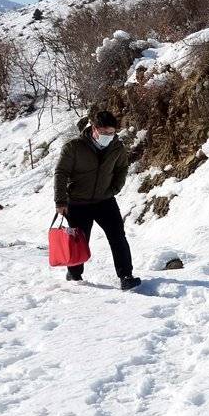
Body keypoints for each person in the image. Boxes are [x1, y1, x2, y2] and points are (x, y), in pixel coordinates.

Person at [53, 110, 140, 290]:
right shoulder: (73, 147)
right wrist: (60, 201)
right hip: (78, 203)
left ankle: (126, 276)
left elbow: (122, 168)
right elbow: (61, 173)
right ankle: (75, 273)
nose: (109, 136)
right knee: (79, 240)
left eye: (112, 132)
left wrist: (114, 188)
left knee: (118, 237)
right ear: (94, 128)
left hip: (105, 201)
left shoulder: (117, 147)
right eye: (105, 132)